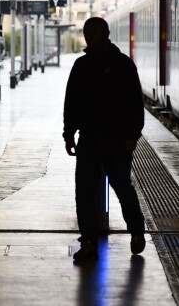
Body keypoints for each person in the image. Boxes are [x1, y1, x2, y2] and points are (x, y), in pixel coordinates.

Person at [63, 17, 146, 262]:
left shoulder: (123, 65)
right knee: (84, 192)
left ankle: (137, 230)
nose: (92, 37)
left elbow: (134, 104)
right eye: (88, 32)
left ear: (107, 34)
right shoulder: (81, 65)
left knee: (122, 188)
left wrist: (132, 135)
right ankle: (88, 241)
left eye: (97, 32)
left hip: (118, 140)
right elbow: (72, 103)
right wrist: (69, 133)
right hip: (88, 139)